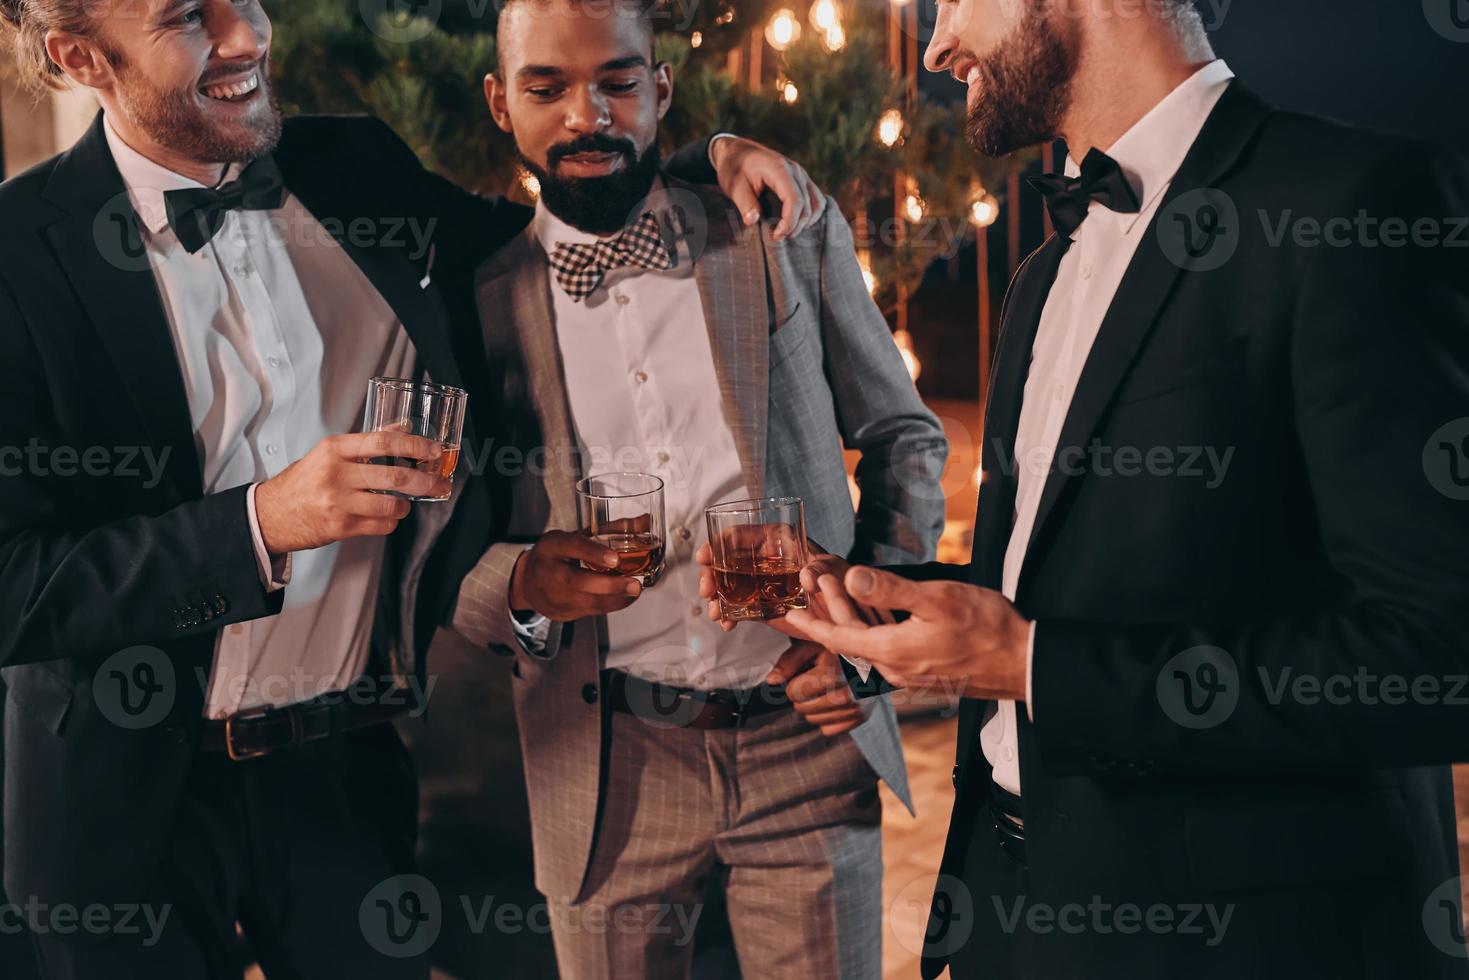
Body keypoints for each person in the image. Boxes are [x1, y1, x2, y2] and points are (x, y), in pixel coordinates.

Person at [0, 0, 824, 975]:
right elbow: (17, 583)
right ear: (80, 56)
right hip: (121, 802)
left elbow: (544, 228)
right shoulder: (19, 251)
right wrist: (262, 523)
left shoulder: (349, 168)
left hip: (342, 773)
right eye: (188, 17)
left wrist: (705, 157)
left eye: (246, 1)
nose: (246, 36)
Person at [769, 1, 1469, 977]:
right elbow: (1066, 570)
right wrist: (878, 613)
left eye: (951, 4)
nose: (934, 48)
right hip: (1011, 922)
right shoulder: (1036, 279)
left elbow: (1436, 654)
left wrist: (1032, 665)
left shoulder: (1348, 200)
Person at [446, 0, 950, 975]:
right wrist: (520, 583)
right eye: (545, 86)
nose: (586, 114)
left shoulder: (775, 228)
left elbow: (903, 437)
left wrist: (866, 647)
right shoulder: (474, 299)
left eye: (618, 81)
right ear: (499, 103)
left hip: (801, 740)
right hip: (603, 763)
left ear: (660, 89)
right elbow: (433, 551)